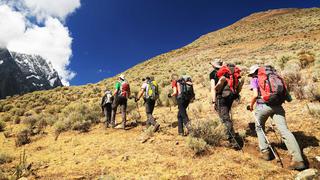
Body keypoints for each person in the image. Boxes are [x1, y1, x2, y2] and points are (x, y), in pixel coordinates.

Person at [248, 64, 305, 170]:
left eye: (251, 74)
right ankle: (298, 159)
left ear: (254, 73)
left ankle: (265, 153)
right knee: (285, 131)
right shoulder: (274, 76)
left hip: (263, 107)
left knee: (259, 128)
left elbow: (255, 95)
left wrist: (251, 105)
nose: (251, 76)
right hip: (278, 106)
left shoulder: (255, 80)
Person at [210, 60, 240, 149]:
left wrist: (213, 101)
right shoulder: (229, 72)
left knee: (225, 118)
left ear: (213, 66)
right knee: (226, 117)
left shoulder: (213, 73)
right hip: (231, 95)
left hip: (221, 97)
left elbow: (213, 88)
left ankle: (233, 142)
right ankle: (228, 134)